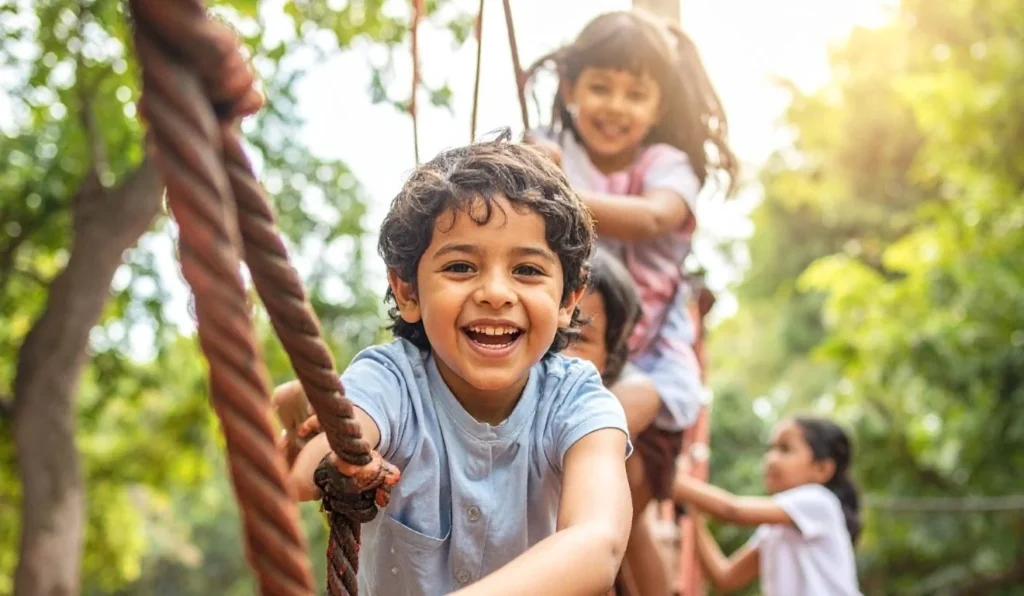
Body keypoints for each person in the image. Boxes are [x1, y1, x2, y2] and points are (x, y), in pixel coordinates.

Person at [275, 132, 633, 596]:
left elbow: (597, 542)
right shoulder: (392, 380)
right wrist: (324, 447)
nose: (496, 293)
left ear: (568, 299)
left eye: (527, 270)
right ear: (407, 291)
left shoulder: (576, 400)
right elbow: (314, 466)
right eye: (461, 267)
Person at [525, 10, 739, 595]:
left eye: (635, 93)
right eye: (600, 87)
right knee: (619, 505)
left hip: (651, 363)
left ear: (658, 103)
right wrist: (525, 163)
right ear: (570, 88)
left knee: (598, 433)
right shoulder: (553, 148)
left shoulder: (666, 165)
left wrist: (554, 186)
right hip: (575, 352)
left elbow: (653, 217)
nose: (615, 106)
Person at [673, 417, 863, 595]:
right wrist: (692, 510)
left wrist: (672, 480)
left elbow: (732, 510)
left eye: (785, 449)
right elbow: (725, 577)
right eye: (770, 449)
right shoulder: (773, 530)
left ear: (821, 469)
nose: (771, 458)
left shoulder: (819, 501)